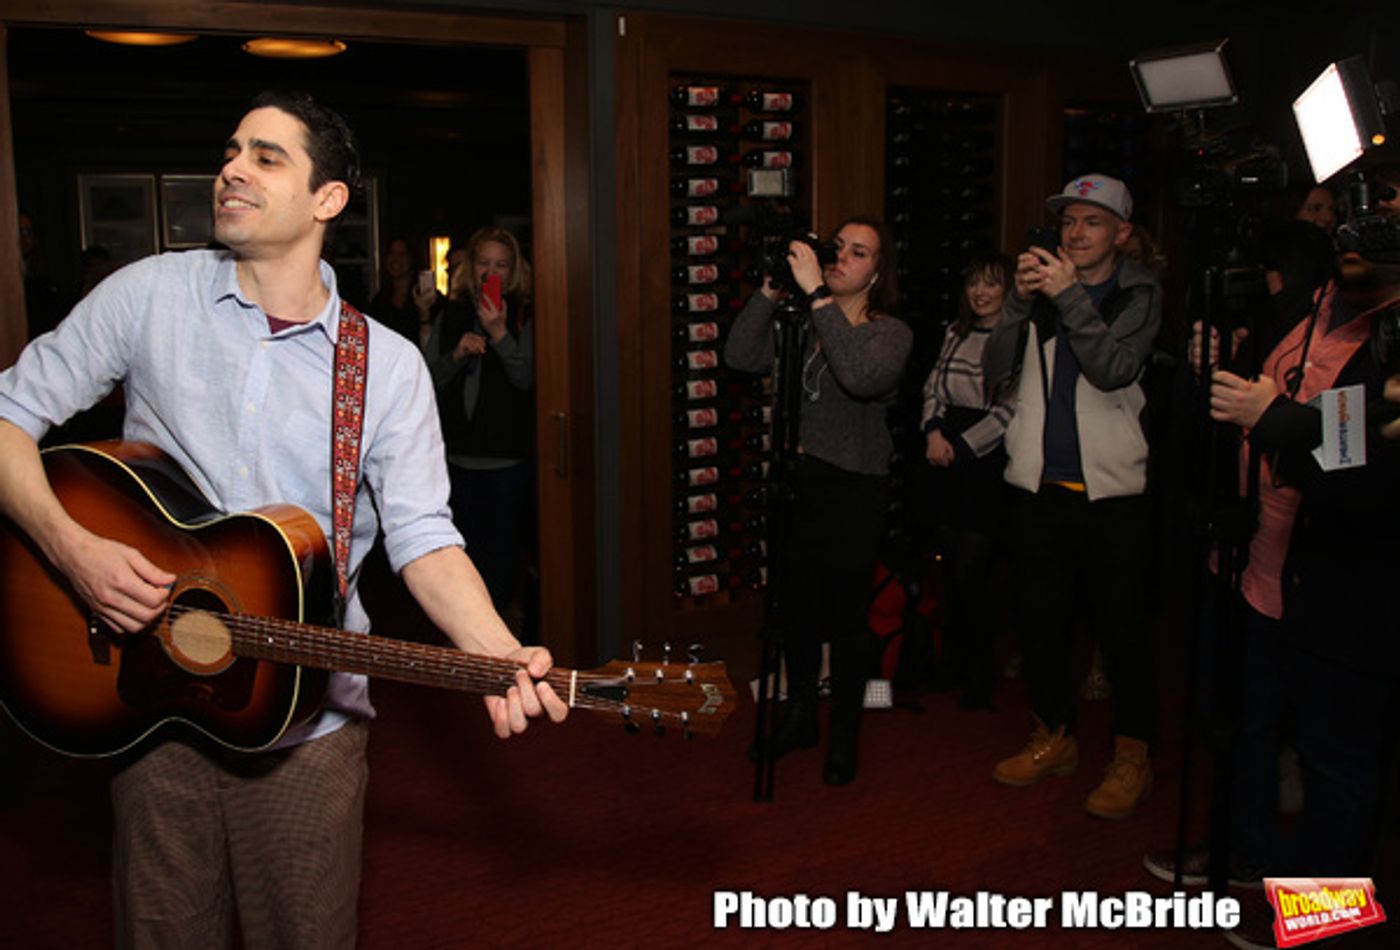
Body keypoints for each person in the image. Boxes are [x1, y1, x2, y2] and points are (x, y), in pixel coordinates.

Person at [0, 90, 565, 948]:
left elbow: (423, 537)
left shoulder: (389, 366)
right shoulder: (149, 295)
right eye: (232, 150)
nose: (233, 167)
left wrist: (494, 648)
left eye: (267, 156)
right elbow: (8, 417)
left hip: (312, 722)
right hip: (150, 695)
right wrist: (73, 551)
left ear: (327, 200)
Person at [982, 173, 1163, 819]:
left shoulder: (1139, 294)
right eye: (1068, 222)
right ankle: (1053, 735)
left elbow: (1113, 368)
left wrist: (1069, 298)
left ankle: (1133, 753)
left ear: (1121, 233)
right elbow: (994, 372)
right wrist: (1016, 307)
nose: (1075, 233)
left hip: (1113, 496)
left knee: (1121, 632)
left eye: (1091, 222)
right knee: (1039, 624)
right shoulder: (1041, 294)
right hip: (1039, 489)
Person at [725, 216, 912, 786]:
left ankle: (847, 730)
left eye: (860, 253)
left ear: (878, 273)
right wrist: (767, 289)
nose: (842, 258)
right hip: (797, 479)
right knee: (796, 610)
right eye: (840, 248)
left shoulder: (890, 333)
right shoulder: (804, 318)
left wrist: (817, 295)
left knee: (846, 617)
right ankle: (802, 715)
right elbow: (739, 356)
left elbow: (858, 377)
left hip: (855, 485)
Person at [919, 250, 1015, 711]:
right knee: (948, 574)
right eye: (974, 282)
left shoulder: (1015, 339)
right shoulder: (954, 333)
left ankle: (981, 672)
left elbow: (1010, 410)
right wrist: (934, 432)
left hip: (983, 460)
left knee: (971, 571)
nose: (980, 292)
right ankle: (952, 665)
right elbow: (933, 388)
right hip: (943, 452)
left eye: (991, 283)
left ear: (1008, 290)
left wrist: (962, 447)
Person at [426, 226, 535, 623]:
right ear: (471, 267)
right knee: (462, 548)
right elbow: (427, 376)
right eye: (484, 263)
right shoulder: (451, 311)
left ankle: (503, 625)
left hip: (507, 455)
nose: (492, 272)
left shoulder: (525, 311)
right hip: (457, 453)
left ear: (513, 270)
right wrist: (456, 354)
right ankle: (470, 627)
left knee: (503, 546)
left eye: (501, 265)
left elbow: (527, 379)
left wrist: (500, 334)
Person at [368, 236, 437, 345]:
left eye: (402, 255)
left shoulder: (426, 297)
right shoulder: (380, 300)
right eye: (391, 254)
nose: (395, 259)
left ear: (411, 259)